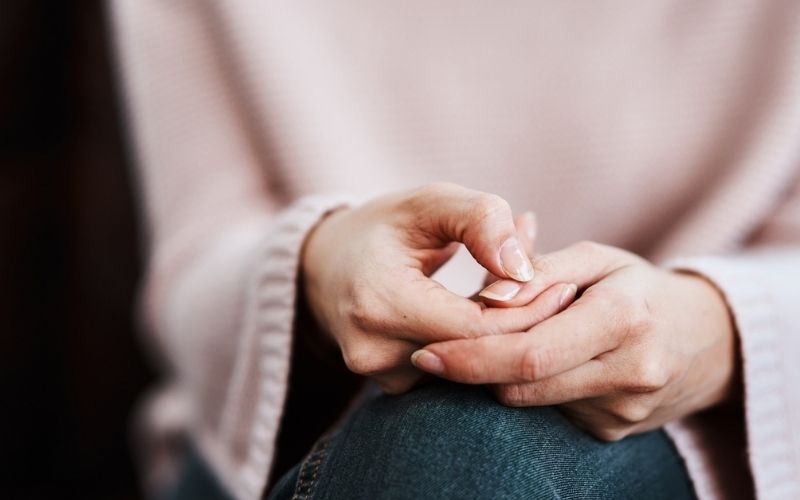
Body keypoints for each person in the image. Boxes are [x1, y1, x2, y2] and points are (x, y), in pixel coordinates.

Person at [111, 2, 800, 499]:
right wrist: (320, 264)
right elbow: (198, 251)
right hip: (275, 446)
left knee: (456, 442)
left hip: (721, 440)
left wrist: (719, 330)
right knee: (450, 441)